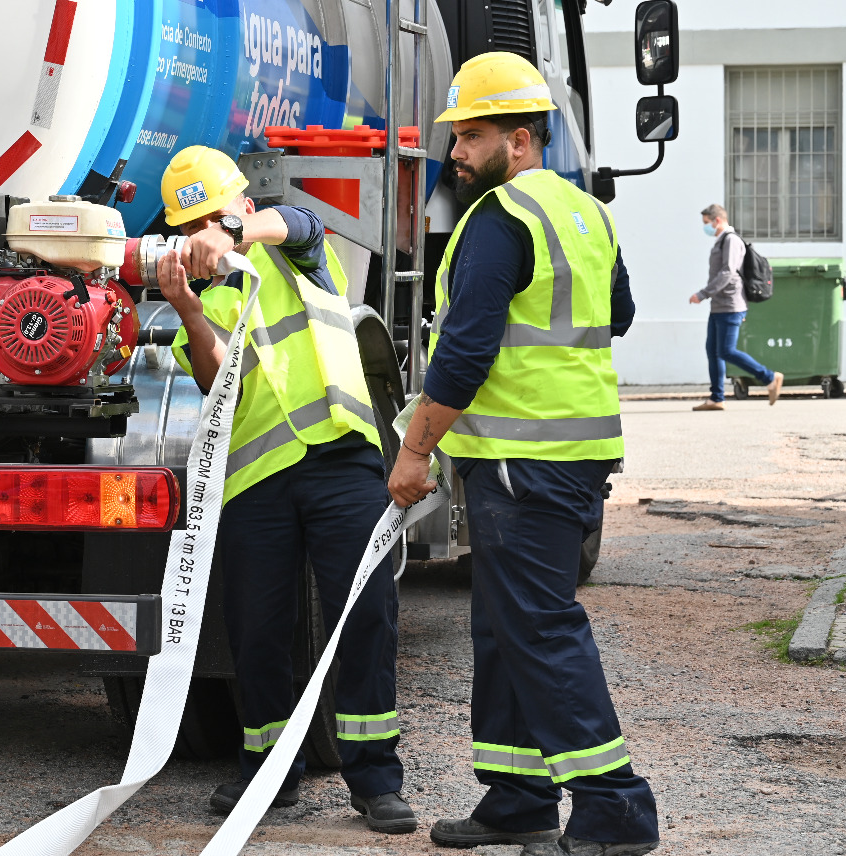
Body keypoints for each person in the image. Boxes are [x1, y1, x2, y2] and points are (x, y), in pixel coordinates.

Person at [388, 52, 658, 856]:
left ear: (521, 135)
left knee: (537, 627)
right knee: (504, 627)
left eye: (470, 136)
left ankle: (615, 810)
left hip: (521, 460)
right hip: (569, 452)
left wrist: (413, 451)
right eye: (457, 137)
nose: (457, 153)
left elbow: (463, 357)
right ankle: (518, 796)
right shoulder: (584, 213)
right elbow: (621, 311)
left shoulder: (499, 219)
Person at [153, 145, 416, 835]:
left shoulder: (288, 245)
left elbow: (300, 221)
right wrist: (184, 305)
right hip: (258, 478)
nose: (201, 234)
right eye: (189, 227)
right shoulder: (206, 295)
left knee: (364, 613)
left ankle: (375, 780)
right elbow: (219, 383)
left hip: (340, 458)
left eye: (212, 216)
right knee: (259, 630)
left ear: (242, 203)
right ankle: (270, 774)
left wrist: (235, 232)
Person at [690, 205, 782, 410]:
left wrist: (703, 294)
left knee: (726, 351)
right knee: (713, 351)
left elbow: (728, 272)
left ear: (717, 220)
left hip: (731, 305)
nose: (705, 227)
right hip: (719, 306)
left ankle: (769, 377)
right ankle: (716, 398)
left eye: (707, 223)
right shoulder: (721, 241)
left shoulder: (731, 240)